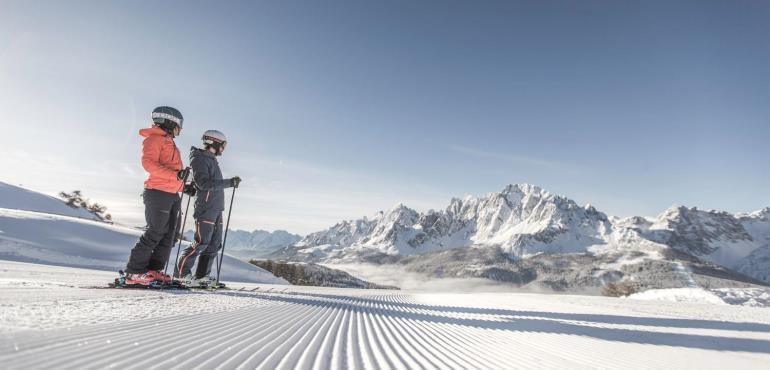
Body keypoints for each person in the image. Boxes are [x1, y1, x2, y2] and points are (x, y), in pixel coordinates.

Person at [124, 106, 190, 285]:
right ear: (169, 122)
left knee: (171, 234)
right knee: (156, 231)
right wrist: (177, 176)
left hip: (172, 193)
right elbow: (149, 164)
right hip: (157, 192)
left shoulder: (169, 142)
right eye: (179, 125)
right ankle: (134, 272)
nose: (180, 129)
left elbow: (173, 172)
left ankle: (154, 269)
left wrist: (185, 186)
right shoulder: (154, 139)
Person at [175, 129, 240, 286]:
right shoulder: (200, 159)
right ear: (214, 143)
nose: (224, 149)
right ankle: (182, 275)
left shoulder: (211, 160)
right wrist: (229, 182)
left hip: (216, 208)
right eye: (223, 145)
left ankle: (201, 277)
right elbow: (203, 183)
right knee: (201, 242)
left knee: (215, 244)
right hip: (206, 208)